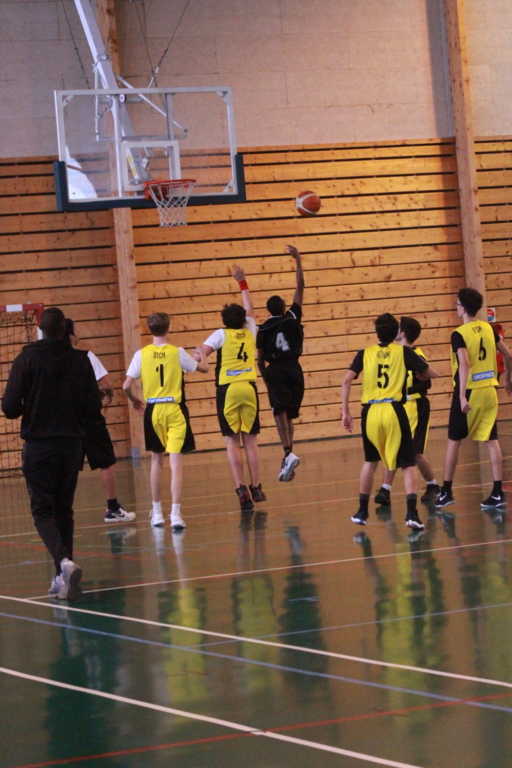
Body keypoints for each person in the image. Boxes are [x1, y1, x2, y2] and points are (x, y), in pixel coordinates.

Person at [1, 307, 102, 601]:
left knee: (43, 511)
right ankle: (62, 577)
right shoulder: (81, 360)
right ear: (65, 330)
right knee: (64, 510)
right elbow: (92, 407)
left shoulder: (26, 360)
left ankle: (63, 562)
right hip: (71, 446)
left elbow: (9, 408)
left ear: (41, 329)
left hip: (39, 447)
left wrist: (32, 405)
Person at [341, 312, 439, 530]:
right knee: (408, 463)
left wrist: (345, 412)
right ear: (396, 332)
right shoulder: (404, 352)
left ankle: (362, 511)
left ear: (376, 332)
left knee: (370, 461)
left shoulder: (364, 353)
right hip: (393, 410)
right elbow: (433, 373)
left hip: (370, 412)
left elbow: (346, 380)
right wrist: (424, 374)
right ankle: (412, 514)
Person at [123, 312, 208, 530]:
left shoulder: (141, 354)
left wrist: (133, 399)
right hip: (175, 409)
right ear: (168, 328)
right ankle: (176, 515)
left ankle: (157, 513)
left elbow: (125, 386)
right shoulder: (177, 352)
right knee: (175, 462)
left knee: (156, 460)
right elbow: (203, 368)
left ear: (149, 330)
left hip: (153, 410)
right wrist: (202, 355)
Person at [198, 266, 266, 513]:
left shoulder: (220, 335)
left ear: (224, 321)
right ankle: (257, 487)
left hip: (227, 390)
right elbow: (250, 309)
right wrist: (242, 282)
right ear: (244, 320)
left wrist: (195, 354)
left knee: (232, 441)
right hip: (248, 388)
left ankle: (241, 490)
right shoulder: (250, 330)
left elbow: (201, 355)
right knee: (251, 441)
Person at [436, 288, 512, 510]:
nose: (456, 307)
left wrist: (461, 396)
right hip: (490, 390)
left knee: (454, 440)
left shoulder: (459, 333)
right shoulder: (489, 328)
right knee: (491, 440)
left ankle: (446, 491)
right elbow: (508, 355)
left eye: (457, 303)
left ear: (462, 307)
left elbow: (465, 364)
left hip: (470, 391)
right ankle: (497, 493)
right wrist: (508, 379)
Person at [65, 319, 135, 523]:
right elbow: (107, 385)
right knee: (106, 461)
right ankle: (112, 508)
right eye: (76, 330)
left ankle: (61, 510)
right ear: (70, 335)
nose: (79, 333)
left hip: (65, 422)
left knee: (67, 468)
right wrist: (109, 396)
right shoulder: (86, 356)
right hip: (90, 420)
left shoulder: (53, 360)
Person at [374, 316, 440, 506]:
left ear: (403, 333)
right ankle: (386, 489)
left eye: (398, 328)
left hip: (416, 406)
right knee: (394, 447)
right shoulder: (396, 353)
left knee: (414, 452)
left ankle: (432, 486)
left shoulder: (415, 354)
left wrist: (403, 391)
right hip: (400, 406)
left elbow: (426, 383)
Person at [257, 245, 305, 482]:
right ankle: (289, 455)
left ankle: (287, 453)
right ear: (284, 308)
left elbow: (259, 359)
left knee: (279, 411)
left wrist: (265, 377)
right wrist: (298, 259)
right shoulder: (292, 316)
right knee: (290, 415)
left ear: (268, 311)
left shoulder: (263, 328)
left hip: (275, 370)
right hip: (294, 368)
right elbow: (300, 287)